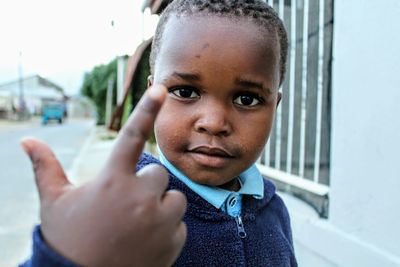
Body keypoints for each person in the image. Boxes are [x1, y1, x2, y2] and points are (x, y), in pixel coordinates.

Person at [21, 0, 297, 266]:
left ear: (275, 105)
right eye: (185, 92)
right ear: (152, 91)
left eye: (246, 99)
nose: (213, 123)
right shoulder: (124, 215)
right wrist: (68, 258)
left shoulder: (274, 211)